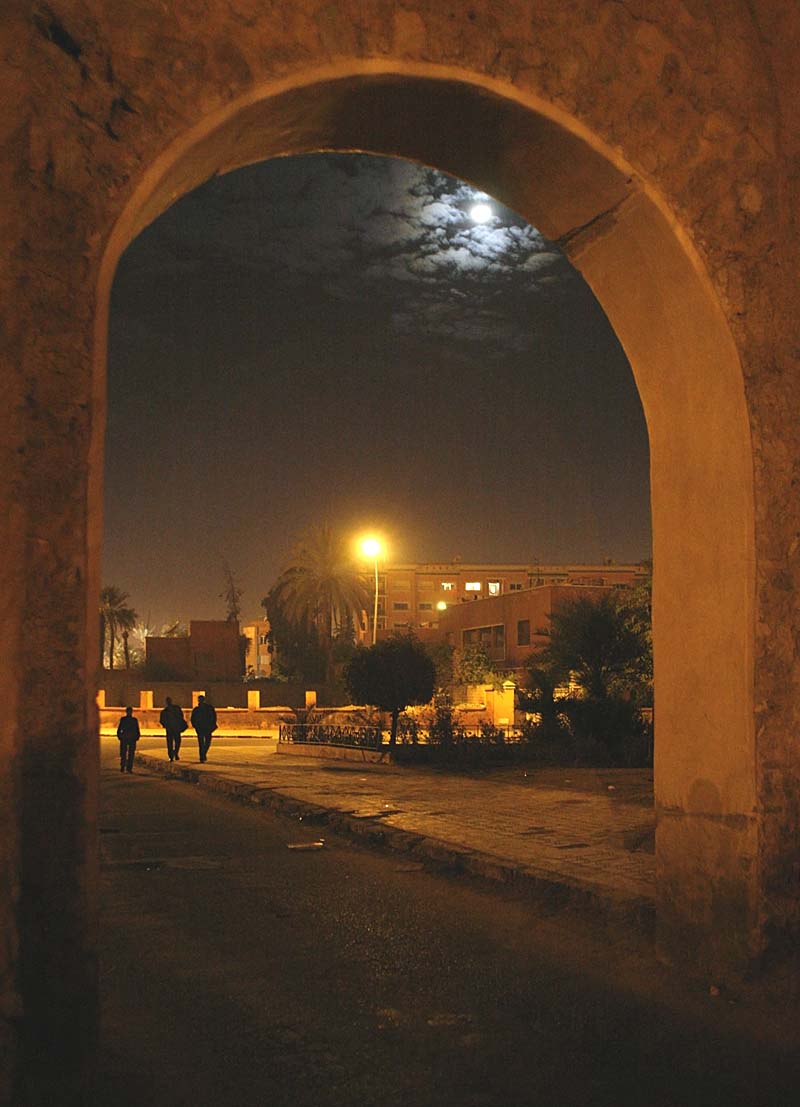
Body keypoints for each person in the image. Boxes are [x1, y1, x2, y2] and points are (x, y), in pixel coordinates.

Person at [159, 696, 187, 762]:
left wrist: (165, 725)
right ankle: (173, 754)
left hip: (172, 728)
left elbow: (162, 720)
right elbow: (181, 716)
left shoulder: (166, 711)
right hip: (173, 728)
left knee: (172, 742)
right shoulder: (174, 709)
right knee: (174, 742)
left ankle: (173, 754)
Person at [190, 694, 217, 763]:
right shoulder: (199, 709)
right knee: (204, 742)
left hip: (204, 728)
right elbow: (193, 719)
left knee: (203, 743)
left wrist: (195, 725)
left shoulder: (206, 708)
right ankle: (202, 756)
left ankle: (203, 754)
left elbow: (213, 717)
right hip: (204, 728)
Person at [116, 706, 140, 774]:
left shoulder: (129, 720)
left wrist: (137, 736)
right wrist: (119, 736)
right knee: (125, 753)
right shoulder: (129, 720)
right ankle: (124, 766)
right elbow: (120, 728)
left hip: (128, 738)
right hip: (127, 738)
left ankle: (127, 767)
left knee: (129, 753)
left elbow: (137, 729)